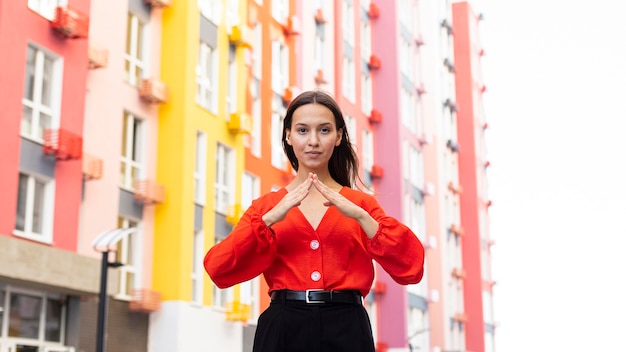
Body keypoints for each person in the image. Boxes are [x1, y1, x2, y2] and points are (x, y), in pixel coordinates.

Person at [204, 89, 425, 352]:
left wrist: (363, 219)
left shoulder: (362, 205)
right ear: (288, 135)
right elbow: (219, 269)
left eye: (324, 130)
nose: (313, 141)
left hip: (347, 327)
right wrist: (269, 220)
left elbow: (412, 268)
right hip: (283, 329)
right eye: (302, 130)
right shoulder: (266, 208)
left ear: (339, 136)